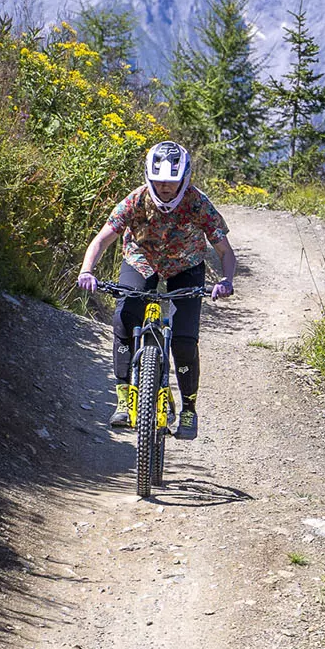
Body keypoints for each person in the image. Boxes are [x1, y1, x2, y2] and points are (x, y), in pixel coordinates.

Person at [75, 141, 236, 439]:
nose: (164, 188)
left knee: (185, 340)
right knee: (124, 320)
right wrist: (87, 271)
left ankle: (188, 410)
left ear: (184, 179)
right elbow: (101, 240)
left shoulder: (197, 203)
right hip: (141, 263)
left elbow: (225, 251)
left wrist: (226, 280)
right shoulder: (135, 200)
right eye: (159, 181)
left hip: (185, 267)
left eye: (171, 183)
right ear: (149, 178)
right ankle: (124, 399)